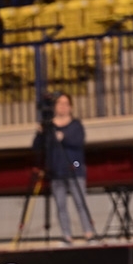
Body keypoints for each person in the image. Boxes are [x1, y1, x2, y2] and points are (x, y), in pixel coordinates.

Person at [33, 92, 96, 245]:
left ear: (71, 107)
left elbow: (79, 141)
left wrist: (64, 137)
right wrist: (40, 133)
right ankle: (67, 236)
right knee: (61, 206)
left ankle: (89, 233)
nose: (62, 107)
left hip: (74, 170)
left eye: (65, 103)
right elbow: (36, 147)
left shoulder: (75, 125)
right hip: (56, 172)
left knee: (80, 203)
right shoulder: (49, 126)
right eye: (59, 103)